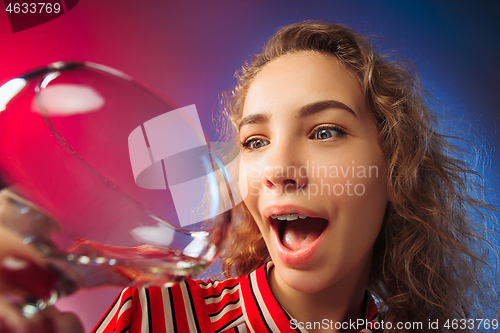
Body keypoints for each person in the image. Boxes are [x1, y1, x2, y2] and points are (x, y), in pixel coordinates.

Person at [90, 21, 499, 333]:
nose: (279, 170)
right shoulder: (155, 314)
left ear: (395, 170)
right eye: (255, 142)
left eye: (325, 132)